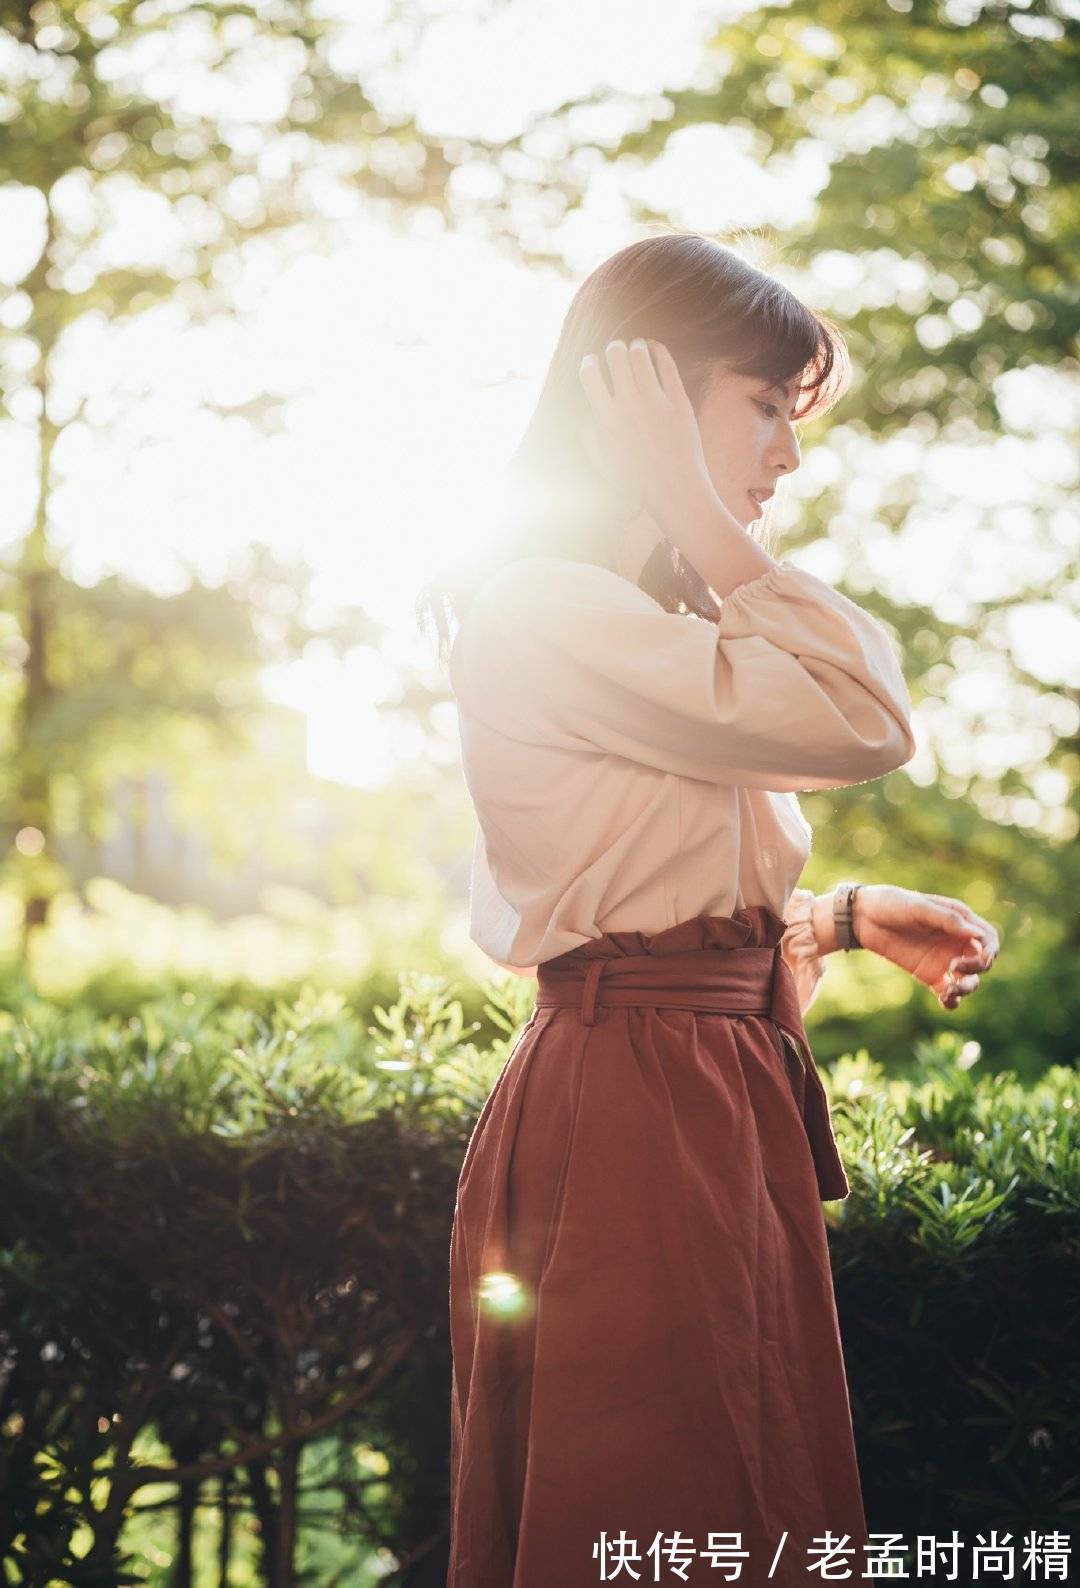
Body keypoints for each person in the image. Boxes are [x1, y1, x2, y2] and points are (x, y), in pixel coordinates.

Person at [417, 231, 999, 1588]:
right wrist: (701, 509)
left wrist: (839, 917)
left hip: (699, 1089)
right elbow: (867, 718)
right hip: (636, 1107)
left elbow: (669, 903)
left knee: (742, 1498)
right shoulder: (550, 612)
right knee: (669, 1503)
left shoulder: (651, 620)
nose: (787, 455)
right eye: (764, 405)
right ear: (642, 391)